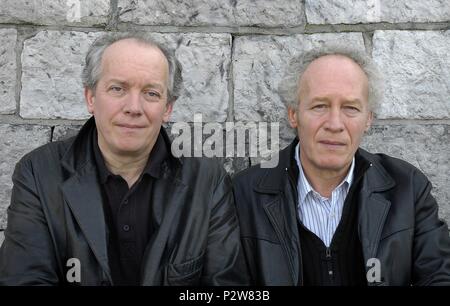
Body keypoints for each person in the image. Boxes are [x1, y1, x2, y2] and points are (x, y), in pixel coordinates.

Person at [0, 33, 248, 286]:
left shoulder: (207, 181)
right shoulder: (39, 173)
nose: (134, 107)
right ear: (91, 98)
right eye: (117, 88)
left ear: (167, 108)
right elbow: (25, 279)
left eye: (151, 93)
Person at [232, 47, 450, 286]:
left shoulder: (407, 188)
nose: (335, 124)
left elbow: (439, 276)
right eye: (320, 106)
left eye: (351, 108)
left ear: (368, 119)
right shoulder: (243, 194)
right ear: (293, 115)